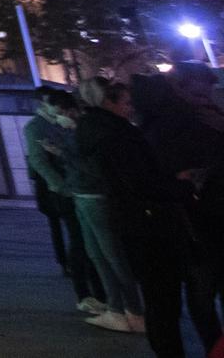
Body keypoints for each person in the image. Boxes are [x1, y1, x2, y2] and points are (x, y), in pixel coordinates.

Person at [77, 76, 187, 344]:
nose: (130, 107)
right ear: (106, 101)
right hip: (142, 215)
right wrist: (178, 185)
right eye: (125, 102)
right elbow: (139, 179)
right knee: (119, 262)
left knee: (108, 258)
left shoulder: (100, 130)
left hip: (119, 208)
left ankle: (127, 310)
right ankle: (133, 311)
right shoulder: (116, 134)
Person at [135, 67, 224, 351]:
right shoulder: (185, 122)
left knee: (201, 295)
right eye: (204, 87)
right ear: (186, 88)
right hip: (197, 221)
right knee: (202, 293)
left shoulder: (166, 119)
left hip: (196, 219)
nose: (209, 93)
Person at [24, 87, 108, 315]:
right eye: (54, 106)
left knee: (89, 242)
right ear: (43, 105)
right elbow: (39, 161)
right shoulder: (35, 127)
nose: (60, 111)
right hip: (64, 191)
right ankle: (85, 293)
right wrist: (60, 187)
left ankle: (100, 291)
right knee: (79, 241)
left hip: (81, 186)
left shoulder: (71, 123)